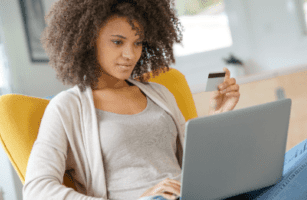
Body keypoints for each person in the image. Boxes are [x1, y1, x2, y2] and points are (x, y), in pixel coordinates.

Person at [22, 0, 240, 199]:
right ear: (88, 40)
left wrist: (216, 117)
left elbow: (194, 163)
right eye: (118, 42)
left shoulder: (159, 93)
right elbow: (36, 189)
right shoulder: (66, 108)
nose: (130, 55)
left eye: (138, 43)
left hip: (194, 193)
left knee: (273, 175)